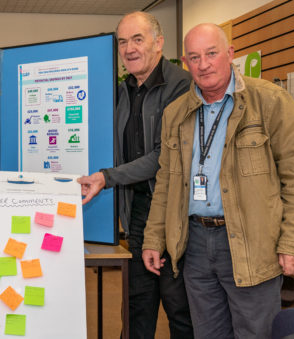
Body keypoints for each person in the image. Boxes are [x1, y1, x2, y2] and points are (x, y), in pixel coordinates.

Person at [142, 23, 294, 338]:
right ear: (185, 62)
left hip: (252, 242)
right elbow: (166, 184)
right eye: (194, 57)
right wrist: (154, 239)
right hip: (194, 244)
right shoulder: (176, 113)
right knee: (207, 333)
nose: (204, 64)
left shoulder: (270, 101)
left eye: (211, 53)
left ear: (230, 54)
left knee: (256, 332)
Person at [78, 11, 193, 338]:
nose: (129, 49)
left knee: (179, 310)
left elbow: (164, 157)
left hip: (175, 219)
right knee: (135, 309)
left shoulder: (181, 86)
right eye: (123, 42)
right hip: (137, 216)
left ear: (159, 43)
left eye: (137, 39)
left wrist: (105, 177)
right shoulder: (121, 91)